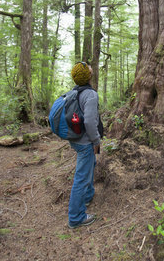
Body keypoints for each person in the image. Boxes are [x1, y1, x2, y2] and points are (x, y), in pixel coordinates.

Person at [67, 61, 101, 229]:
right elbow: (89, 121)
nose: (91, 68)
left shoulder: (72, 93)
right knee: (81, 177)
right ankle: (76, 217)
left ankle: (87, 196)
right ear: (88, 75)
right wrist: (96, 141)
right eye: (89, 68)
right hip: (85, 141)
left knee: (90, 165)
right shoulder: (91, 95)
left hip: (75, 139)